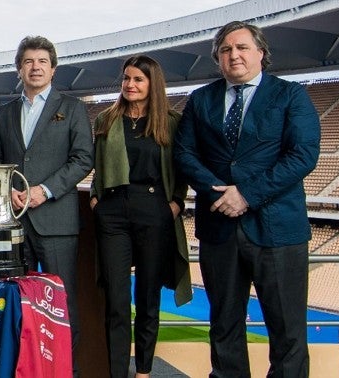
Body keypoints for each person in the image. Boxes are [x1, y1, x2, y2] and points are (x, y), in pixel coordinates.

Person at [173, 21, 319, 378]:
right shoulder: (201, 99)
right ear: (218, 59)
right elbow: (184, 153)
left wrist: (247, 195)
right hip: (219, 228)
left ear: (261, 53)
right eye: (225, 50)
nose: (233, 55)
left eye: (241, 47)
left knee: (287, 331)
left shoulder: (291, 95)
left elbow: (303, 155)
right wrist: (220, 193)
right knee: (224, 325)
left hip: (277, 231)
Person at [0, 35, 93, 374]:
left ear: (53, 68)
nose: (35, 67)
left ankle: (64, 371)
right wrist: (10, 193)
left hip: (56, 222)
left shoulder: (72, 108)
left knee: (61, 304)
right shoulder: (5, 113)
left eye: (42, 61)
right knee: (17, 302)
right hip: (14, 222)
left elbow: (83, 158)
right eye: (28, 61)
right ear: (19, 68)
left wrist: (44, 190)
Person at [89, 55, 192, 378]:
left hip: (154, 211)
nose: (130, 85)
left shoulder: (171, 122)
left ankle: (144, 370)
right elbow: (98, 166)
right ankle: (117, 370)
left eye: (138, 80)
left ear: (152, 84)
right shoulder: (107, 120)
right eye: (126, 79)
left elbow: (182, 168)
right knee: (117, 300)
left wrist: (175, 203)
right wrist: (96, 200)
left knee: (147, 297)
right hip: (114, 211)